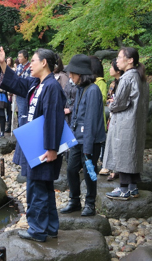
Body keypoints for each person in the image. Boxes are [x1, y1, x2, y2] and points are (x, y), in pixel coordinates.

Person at [0, 44, 66, 242]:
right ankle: (49, 227)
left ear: (43, 63)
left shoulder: (51, 86)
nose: (29, 64)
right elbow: (17, 83)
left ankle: (37, 230)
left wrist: (52, 149)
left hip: (43, 146)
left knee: (37, 189)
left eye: (32, 61)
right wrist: (2, 63)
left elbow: (54, 119)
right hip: (36, 142)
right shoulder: (37, 83)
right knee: (44, 188)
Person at [59, 54, 106, 216]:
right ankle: (74, 200)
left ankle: (90, 204)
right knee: (71, 170)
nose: (70, 76)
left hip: (91, 141)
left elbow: (91, 121)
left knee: (89, 172)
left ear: (82, 73)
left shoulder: (93, 90)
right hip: (78, 139)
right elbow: (77, 116)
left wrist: (87, 149)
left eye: (73, 73)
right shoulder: (80, 89)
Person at [104, 47, 149, 200]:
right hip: (136, 121)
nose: (117, 60)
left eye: (119, 57)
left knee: (122, 152)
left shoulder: (127, 77)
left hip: (125, 122)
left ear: (130, 60)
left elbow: (120, 103)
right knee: (132, 153)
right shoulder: (141, 77)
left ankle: (123, 189)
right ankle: (133, 187)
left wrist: (111, 105)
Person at [100, 59, 124, 180]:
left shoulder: (123, 82)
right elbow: (108, 99)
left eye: (111, 67)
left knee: (118, 143)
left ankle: (117, 169)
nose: (109, 69)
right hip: (112, 116)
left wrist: (112, 102)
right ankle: (111, 167)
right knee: (111, 142)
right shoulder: (113, 83)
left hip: (120, 117)